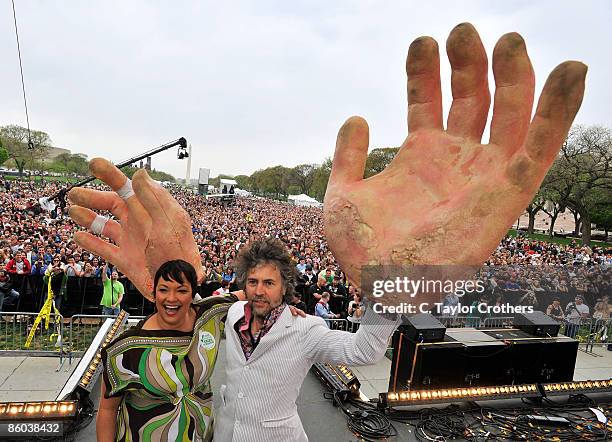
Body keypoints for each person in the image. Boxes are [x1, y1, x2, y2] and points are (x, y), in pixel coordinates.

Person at [69, 22, 586, 442]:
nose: (258, 291)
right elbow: (173, 336)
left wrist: (391, 286)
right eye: (253, 281)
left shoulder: (305, 330)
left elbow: (363, 353)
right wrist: (169, 277)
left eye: (269, 283)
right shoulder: (222, 322)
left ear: (286, 289)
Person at [97, 260, 239, 442]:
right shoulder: (126, 349)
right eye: (163, 290)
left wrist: (284, 306)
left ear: (193, 294)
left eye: (181, 290)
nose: (171, 298)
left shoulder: (210, 315)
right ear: (154, 294)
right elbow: (107, 411)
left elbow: (252, 293)